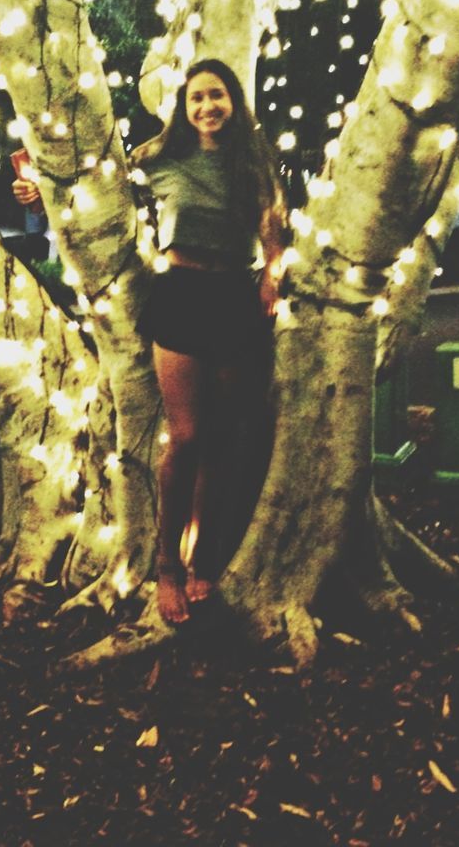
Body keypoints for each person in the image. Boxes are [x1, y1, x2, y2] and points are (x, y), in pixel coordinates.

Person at [130, 59, 287, 625]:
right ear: (184, 105)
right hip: (182, 295)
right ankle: (166, 567)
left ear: (232, 99)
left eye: (215, 96)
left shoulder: (254, 161)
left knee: (222, 440)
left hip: (235, 299)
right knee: (187, 437)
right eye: (196, 98)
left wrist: (273, 270)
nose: (206, 108)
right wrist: (32, 188)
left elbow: (274, 222)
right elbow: (93, 183)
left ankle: (204, 560)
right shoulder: (162, 158)